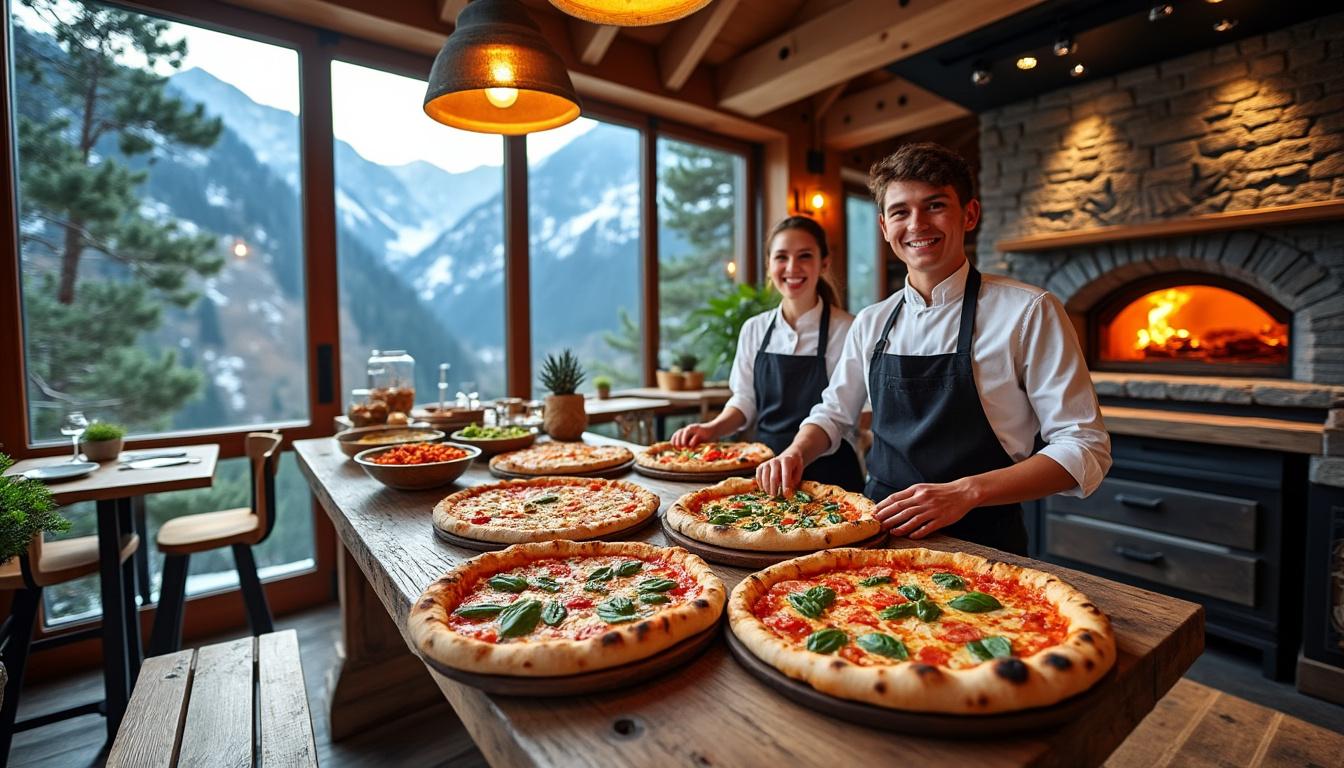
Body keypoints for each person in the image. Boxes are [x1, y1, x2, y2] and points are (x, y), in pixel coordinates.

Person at [754, 143, 1111, 554]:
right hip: (879, 532)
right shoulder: (871, 321)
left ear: (970, 214)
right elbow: (835, 414)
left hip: (984, 542)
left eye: (935, 205)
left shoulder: (1029, 311)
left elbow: (1085, 445)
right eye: (901, 211)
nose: (917, 224)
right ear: (885, 227)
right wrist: (797, 452)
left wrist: (966, 492)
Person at [671, 216, 865, 491]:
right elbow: (745, 401)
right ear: (769, 264)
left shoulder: (849, 329)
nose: (792, 268)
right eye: (781, 257)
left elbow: (838, 413)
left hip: (831, 473)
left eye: (805, 256)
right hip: (763, 470)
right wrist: (711, 428)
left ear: (824, 263)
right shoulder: (754, 329)